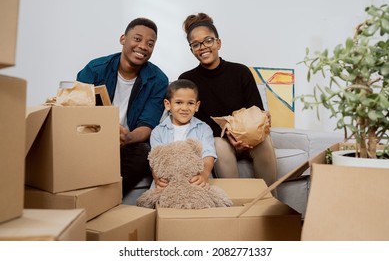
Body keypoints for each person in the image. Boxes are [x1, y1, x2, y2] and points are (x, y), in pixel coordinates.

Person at [178, 12, 277, 189]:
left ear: (218, 43)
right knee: (220, 146)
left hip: (247, 135)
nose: (203, 47)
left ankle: (269, 203)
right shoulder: (187, 80)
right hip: (218, 138)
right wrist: (228, 135)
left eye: (208, 40)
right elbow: (193, 120)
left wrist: (254, 126)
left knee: (265, 142)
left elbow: (255, 110)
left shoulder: (241, 72)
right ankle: (235, 204)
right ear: (191, 49)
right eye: (196, 44)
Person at [76, 17, 169, 197]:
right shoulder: (96, 69)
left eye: (150, 43)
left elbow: (147, 124)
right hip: (92, 138)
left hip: (127, 143)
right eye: (137, 39)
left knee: (144, 152)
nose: (143, 46)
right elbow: (75, 110)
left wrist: (127, 137)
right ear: (123, 39)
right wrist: (102, 133)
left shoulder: (158, 80)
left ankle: (105, 199)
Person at [150, 79, 217, 189]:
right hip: (168, 182)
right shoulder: (158, 132)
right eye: (178, 102)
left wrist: (204, 175)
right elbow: (155, 159)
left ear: (197, 106)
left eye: (190, 103)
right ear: (167, 104)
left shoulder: (204, 129)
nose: (184, 108)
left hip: (194, 180)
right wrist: (157, 179)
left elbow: (208, 154)